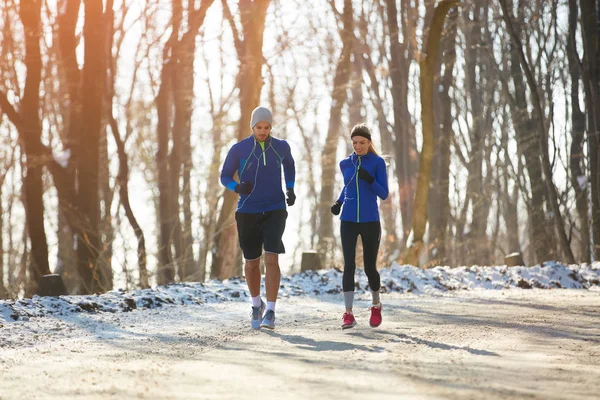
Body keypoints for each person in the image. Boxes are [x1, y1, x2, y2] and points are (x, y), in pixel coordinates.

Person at [220, 106, 296, 330]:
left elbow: (290, 166)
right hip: (248, 210)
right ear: (252, 126)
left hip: (275, 208)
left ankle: (271, 310)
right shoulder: (239, 149)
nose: (263, 131)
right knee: (251, 263)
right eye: (259, 127)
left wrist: (290, 188)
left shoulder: (281, 146)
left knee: (272, 259)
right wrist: (238, 188)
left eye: (267, 127)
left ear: (271, 127)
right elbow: (224, 175)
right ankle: (256, 305)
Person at [331, 124, 388, 329]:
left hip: (370, 220)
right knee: (349, 266)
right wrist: (339, 202)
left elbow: (384, 193)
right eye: (355, 143)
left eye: (362, 143)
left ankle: (375, 305)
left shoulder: (378, 163)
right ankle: (348, 314)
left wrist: (370, 179)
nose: (358, 146)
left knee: (370, 267)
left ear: (369, 142)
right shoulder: (346, 163)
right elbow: (347, 186)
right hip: (348, 220)